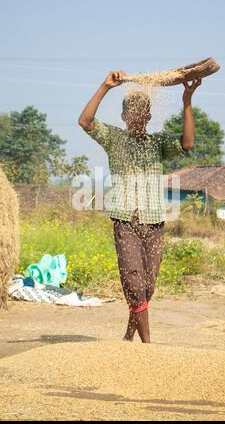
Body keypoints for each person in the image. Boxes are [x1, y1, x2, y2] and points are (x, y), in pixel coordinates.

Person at [78, 71, 201, 343]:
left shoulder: (157, 143)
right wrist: (105, 87)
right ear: (123, 116)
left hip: (155, 221)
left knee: (147, 287)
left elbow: (188, 143)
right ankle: (148, 346)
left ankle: (129, 335)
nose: (138, 116)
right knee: (134, 281)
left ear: (149, 116)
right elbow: (85, 121)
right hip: (125, 220)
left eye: (143, 112)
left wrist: (187, 100)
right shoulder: (114, 138)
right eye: (132, 112)